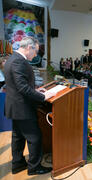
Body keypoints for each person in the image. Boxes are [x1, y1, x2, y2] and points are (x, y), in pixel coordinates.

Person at [4, 37, 56, 175]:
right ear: (29, 47)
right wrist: (43, 96)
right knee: (35, 137)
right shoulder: (18, 61)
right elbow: (22, 88)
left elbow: (20, 85)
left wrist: (36, 90)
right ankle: (34, 167)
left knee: (18, 137)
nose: (35, 55)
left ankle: (18, 164)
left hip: (16, 106)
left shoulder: (13, 59)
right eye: (35, 51)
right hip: (22, 107)